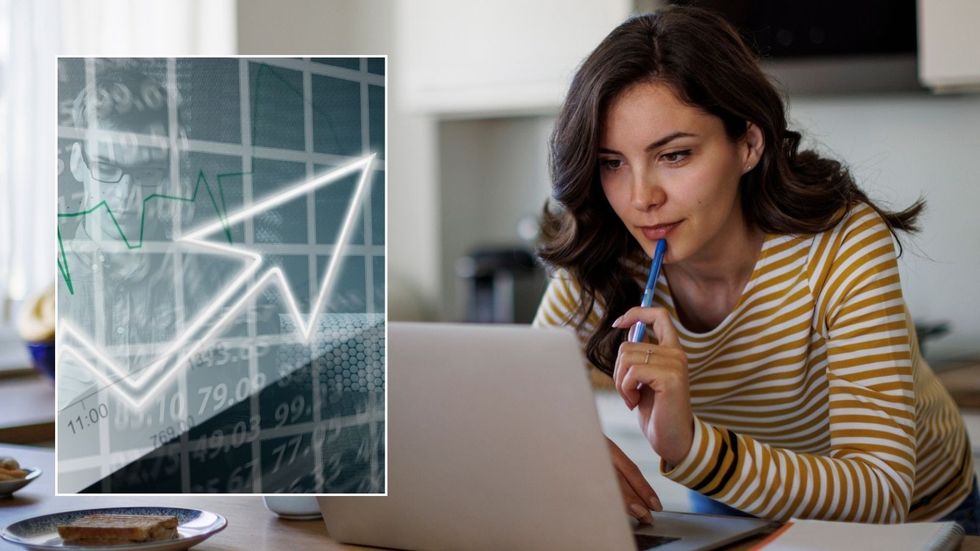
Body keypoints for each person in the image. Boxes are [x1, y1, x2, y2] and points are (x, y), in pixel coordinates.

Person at [532, 7, 978, 534]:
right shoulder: (607, 253)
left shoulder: (840, 242)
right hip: (734, 503)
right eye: (612, 163)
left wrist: (694, 448)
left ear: (748, 143)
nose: (640, 199)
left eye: (674, 155)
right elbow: (519, 403)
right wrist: (564, 448)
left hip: (918, 519)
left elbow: (882, 489)